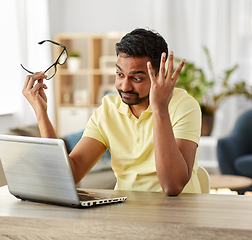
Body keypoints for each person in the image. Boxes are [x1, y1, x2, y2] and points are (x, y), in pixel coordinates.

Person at [22, 28, 201, 196]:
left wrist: (160, 109)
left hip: (176, 215)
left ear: (159, 75)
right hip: (125, 213)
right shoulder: (108, 109)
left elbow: (172, 186)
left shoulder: (184, 106)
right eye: (120, 74)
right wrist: (41, 113)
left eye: (137, 78)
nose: (124, 86)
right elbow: (68, 175)